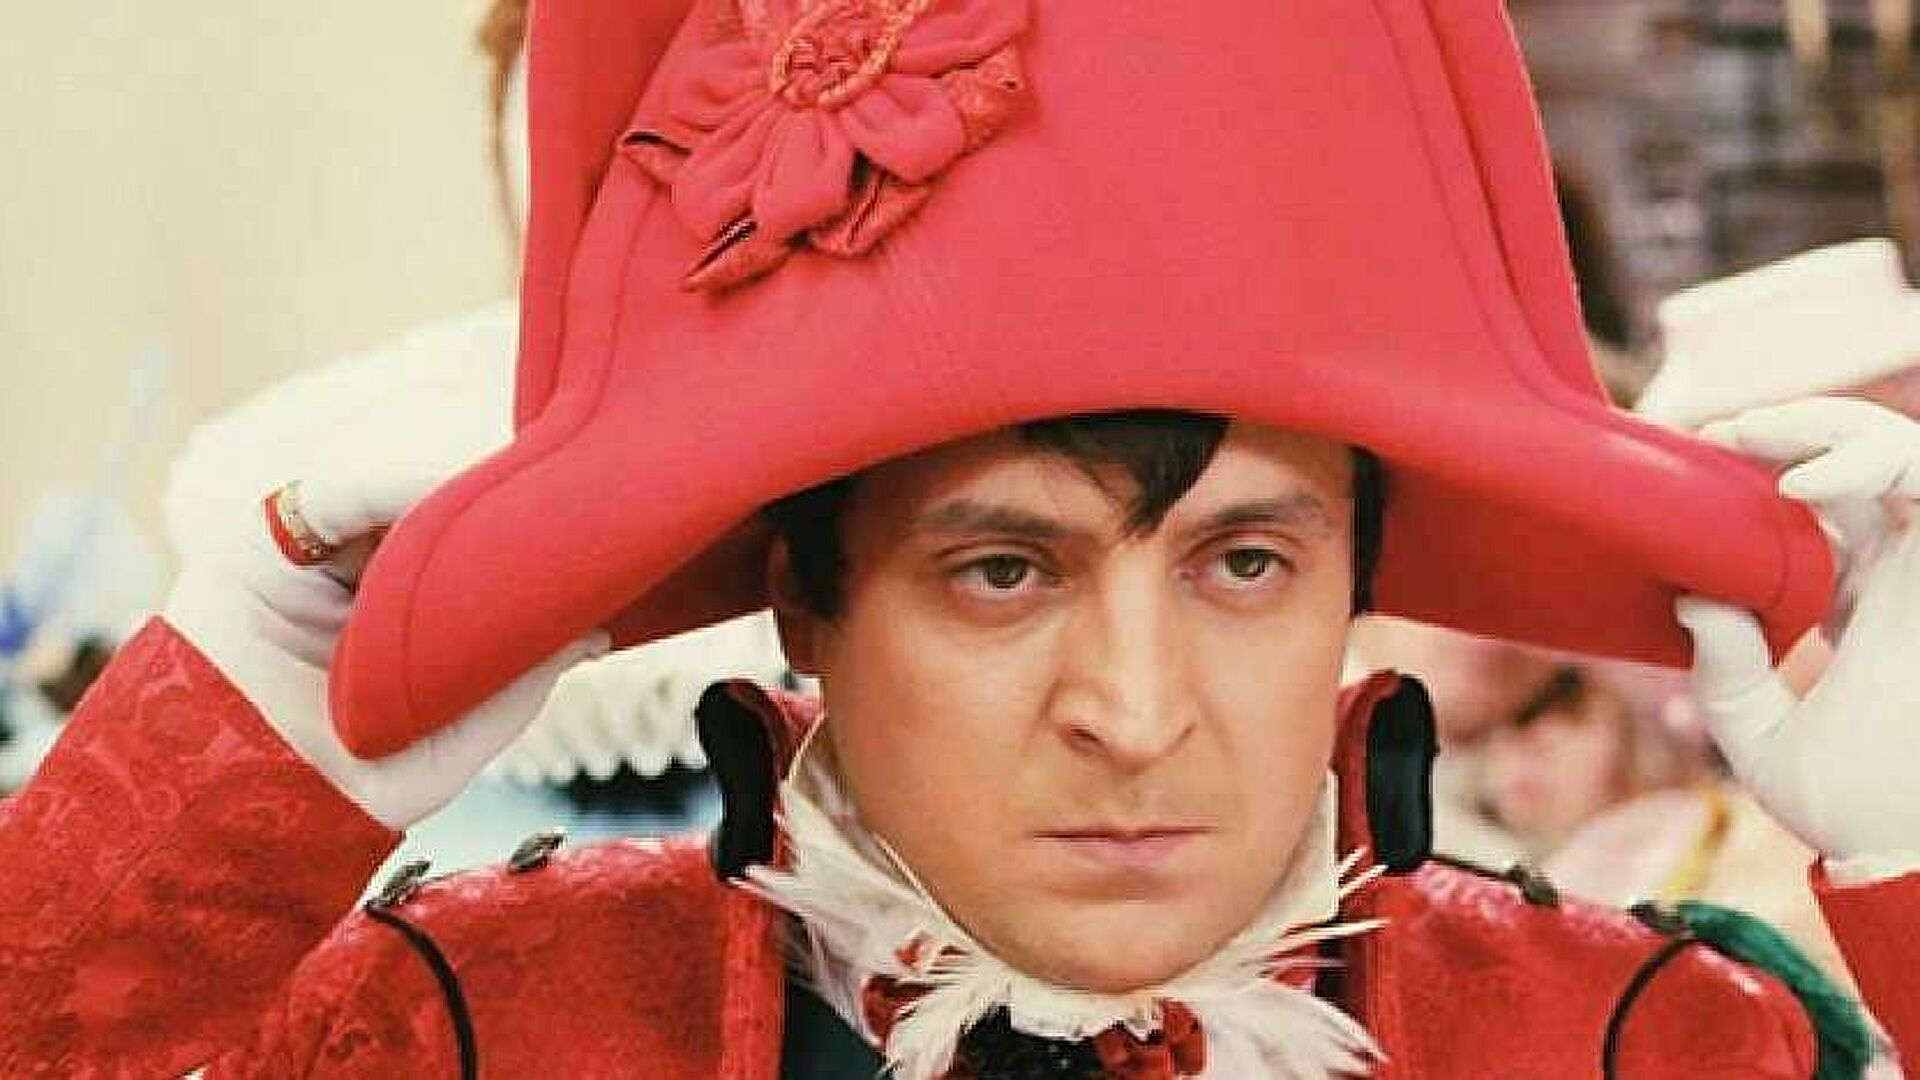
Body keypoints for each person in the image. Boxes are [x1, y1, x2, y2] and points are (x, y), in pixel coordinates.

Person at [5, 4, 1919, 1080]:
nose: (1137, 714)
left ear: (1362, 568)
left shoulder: (1644, 1045)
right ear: (800, 594)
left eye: (1244, 565)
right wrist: (204, 787)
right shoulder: (484, 1033)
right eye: (1003, 572)